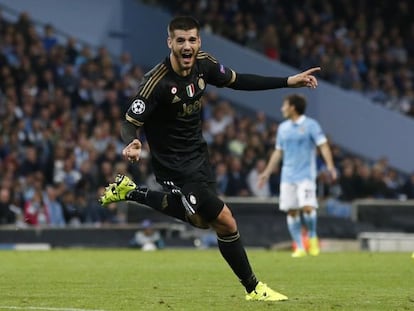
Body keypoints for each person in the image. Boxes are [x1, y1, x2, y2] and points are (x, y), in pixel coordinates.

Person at [100, 16, 320, 302]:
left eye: (192, 40)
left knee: (204, 222)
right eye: (180, 40)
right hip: (173, 165)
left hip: (198, 156)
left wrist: (288, 81)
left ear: (199, 41)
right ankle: (254, 288)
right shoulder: (156, 82)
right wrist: (132, 141)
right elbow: (130, 120)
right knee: (226, 221)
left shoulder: (204, 63)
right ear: (170, 43)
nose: (187, 46)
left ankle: (130, 191)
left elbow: (238, 80)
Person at [258, 94, 337, 258]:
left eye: (284, 105)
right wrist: (266, 172)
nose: (282, 109)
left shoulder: (311, 125)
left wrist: (330, 166)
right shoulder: (283, 128)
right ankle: (300, 247)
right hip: (288, 176)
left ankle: (313, 235)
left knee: (308, 208)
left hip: (306, 176)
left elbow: (323, 146)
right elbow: (278, 152)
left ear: (292, 107)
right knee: (292, 212)